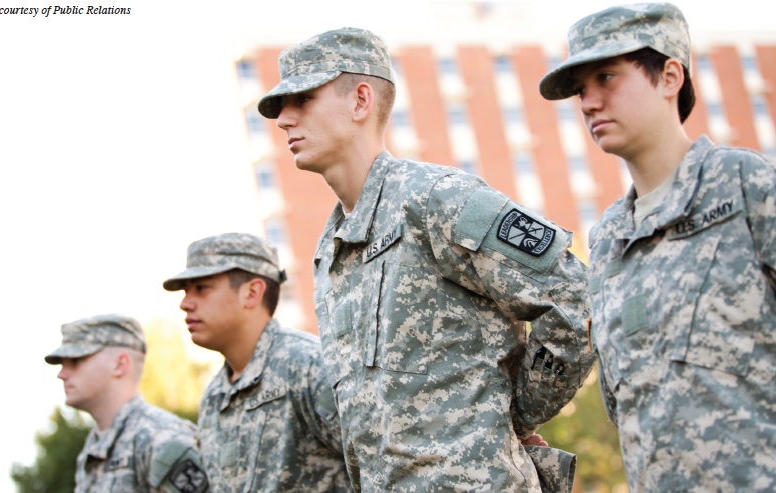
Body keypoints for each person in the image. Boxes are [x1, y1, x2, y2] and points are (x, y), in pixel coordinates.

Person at [257, 27, 595, 492]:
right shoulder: (329, 250)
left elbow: (574, 297)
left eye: (303, 99)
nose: (283, 119)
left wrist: (514, 416)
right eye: (280, 106)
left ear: (360, 100)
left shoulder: (436, 199)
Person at [539, 3, 776, 491]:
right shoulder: (607, 240)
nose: (588, 103)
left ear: (670, 77)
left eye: (606, 77)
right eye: (581, 89)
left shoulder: (744, 185)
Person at [162, 232, 351, 492]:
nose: (185, 303)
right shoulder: (214, 397)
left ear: (252, 293)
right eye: (185, 291)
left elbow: (381, 469)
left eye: (201, 288)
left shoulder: (308, 365)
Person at [45, 313, 209, 493]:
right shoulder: (95, 446)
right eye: (62, 364)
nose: (62, 374)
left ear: (120, 364)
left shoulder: (161, 439)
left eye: (75, 361)